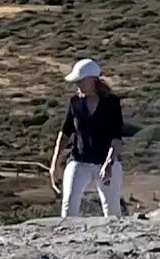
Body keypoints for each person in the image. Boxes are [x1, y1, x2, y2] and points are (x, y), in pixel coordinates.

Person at [49, 58, 125, 218]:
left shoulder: (111, 103)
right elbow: (65, 133)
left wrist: (109, 163)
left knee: (112, 211)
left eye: (81, 81)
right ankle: (69, 240)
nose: (77, 85)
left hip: (106, 163)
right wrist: (55, 162)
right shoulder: (75, 102)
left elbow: (116, 137)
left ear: (93, 80)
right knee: (69, 207)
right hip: (79, 161)